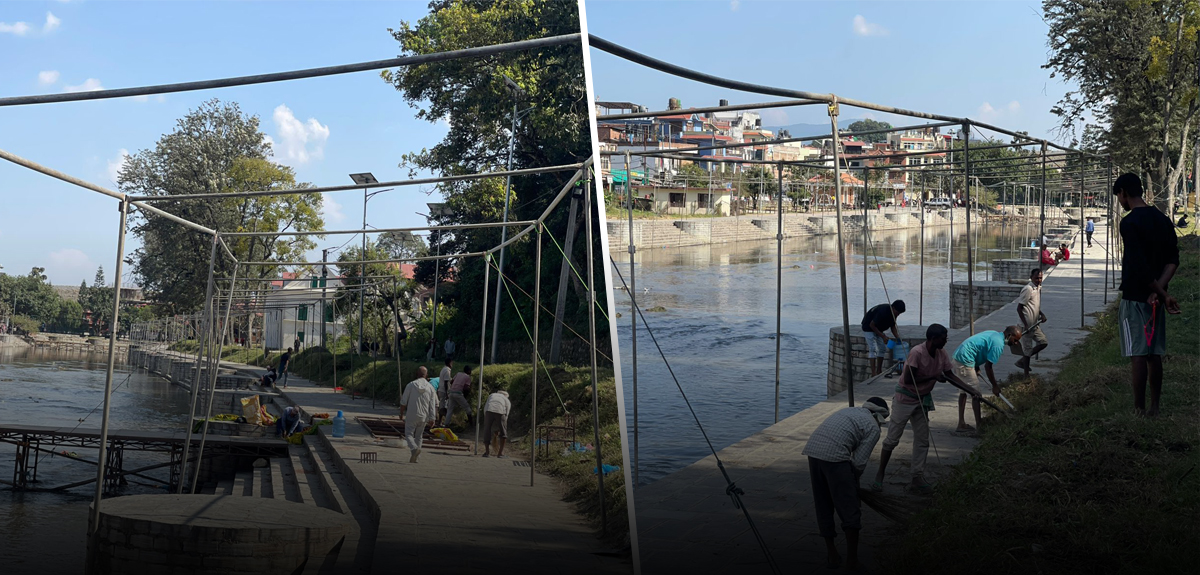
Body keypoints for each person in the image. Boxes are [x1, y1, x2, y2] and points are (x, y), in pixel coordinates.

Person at [873, 325, 978, 494]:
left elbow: (950, 375)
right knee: (892, 439)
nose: (945, 340)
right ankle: (880, 474)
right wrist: (933, 376)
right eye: (943, 338)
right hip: (905, 399)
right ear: (933, 339)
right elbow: (908, 379)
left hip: (921, 400)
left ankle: (916, 477)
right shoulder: (917, 352)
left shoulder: (941, 354)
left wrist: (971, 390)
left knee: (922, 441)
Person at [1113, 174, 1181, 417]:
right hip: (1156, 299)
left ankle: (1139, 410)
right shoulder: (1162, 220)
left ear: (1123, 193)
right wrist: (1162, 292)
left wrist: (1157, 292)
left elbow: (1138, 266)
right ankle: (1155, 407)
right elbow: (1173, 259)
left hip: (1135, 297)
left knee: (1138, 354)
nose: (1120, 202)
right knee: (1154, 353)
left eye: (1119, 197)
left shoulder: (1129, 223)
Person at [802, 397, 890, 571]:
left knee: (823, 505)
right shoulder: (873, 427)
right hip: (835, 457)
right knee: (850, 509)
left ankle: (832, 554)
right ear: (880, 416)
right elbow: (858, 463)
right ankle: (852, 560)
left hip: (813, 451)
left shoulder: (849, 411)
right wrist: (853, 484)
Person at [951, 327, 1023, 433]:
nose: (1016, 343)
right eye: (1015, 340)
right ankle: (979, 427)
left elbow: (979, 347)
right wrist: (995, 386)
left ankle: (961, 423)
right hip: (965, 360)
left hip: (960, 356)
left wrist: (976, 366)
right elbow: (988, 367)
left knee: (964, 392)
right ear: (1009, 336)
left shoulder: (995, 334)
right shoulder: (998, 344)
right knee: (976, 394)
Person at [399, 366, 438, 463]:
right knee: (419, 436)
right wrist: (432, 418)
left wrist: (401, 413)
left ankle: (413, 449)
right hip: (424, 416)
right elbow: (432, 404)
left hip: (412, 414)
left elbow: (403, 401)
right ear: (426, 375)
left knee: (408, 434)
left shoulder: (411, 385)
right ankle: (416, 458)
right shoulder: (430, 387)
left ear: (417, 374)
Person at [860, 300, 906, 377]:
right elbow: (872, 325)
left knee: (882, 348)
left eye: (899, 313)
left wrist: (897, 337)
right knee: (873, 348)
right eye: (897, 312)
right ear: (893, 308)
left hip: (879, 328)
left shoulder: (894, 314)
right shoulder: (883, 311)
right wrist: (883, 336)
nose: (898, 314)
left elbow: (893, 326)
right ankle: (873, 373)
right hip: (868, 327)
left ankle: (879, 370)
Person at [1016, 268, 1049, 373]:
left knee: (1043, 342)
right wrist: (1025, 324)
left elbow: (1035, 306)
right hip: (1026, 326)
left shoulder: (1038, 288)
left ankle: (1021, 361)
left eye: (1040, 278)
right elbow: (1019, 308)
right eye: (1036, 278)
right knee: (1027, 350)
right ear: (1031, 277)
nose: (1038, 280)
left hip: (1034, 325)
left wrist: (1042, 314)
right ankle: (1026, 375)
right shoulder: (1028, 289)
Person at [481, 389, 511, 458]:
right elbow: (506, 413)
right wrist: (501, 427)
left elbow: (486, 407)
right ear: (506, 396)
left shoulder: (492, 395)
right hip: (500, 411)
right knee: (503, 433)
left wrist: (486, 418)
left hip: (489, 410)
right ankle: (500, 453)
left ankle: (487, 452)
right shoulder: (506, 400)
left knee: (487, 430)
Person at [436, 358, 453, 426]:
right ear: (449, 363)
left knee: (442, 406)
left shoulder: (444, 369)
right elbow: (446, 382)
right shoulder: (447, 371)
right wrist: (447, 393)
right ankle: (445, 422)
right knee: (443, 407)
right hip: (444, 391)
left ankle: (440, 421)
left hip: (441, 389)